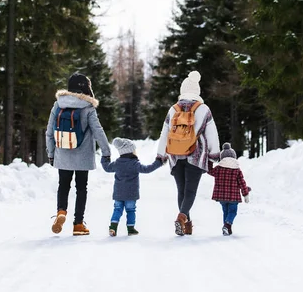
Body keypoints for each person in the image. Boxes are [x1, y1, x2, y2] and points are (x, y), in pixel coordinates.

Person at [156, 70, 221, 236]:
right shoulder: (203, 109)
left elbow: (164, 133)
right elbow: (212, 134)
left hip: (175, 156)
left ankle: (187, 225)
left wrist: (161, 155)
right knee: (191, 191)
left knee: (181, 191)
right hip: (196, 156)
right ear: (197, 91)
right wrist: (214, 155)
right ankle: (182, 218)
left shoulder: (173, 109)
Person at [46, 72, 111, 236]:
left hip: (63, 154)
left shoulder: (58, 105)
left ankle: (61, 211)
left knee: (63, 185)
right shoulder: (87, 107)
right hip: (82, 156)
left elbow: (49, 132)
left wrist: (51, 153)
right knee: (81, 188)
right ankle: (78, 224)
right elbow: (98, 131)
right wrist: (106, 151)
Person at [101, 138, 164, 236]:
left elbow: (107, 168)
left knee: (117, 209)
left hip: (118, 193)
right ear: (131, 151)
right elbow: (147, 169)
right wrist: (158, 162)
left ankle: (113, 227)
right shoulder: (134, 163)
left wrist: (105, 158)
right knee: (131, 210)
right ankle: (130, 229)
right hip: (131, 194)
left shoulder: (117, 163)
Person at [207, 143, 251, 236]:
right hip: (233, 197)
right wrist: (245, 194)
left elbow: (209, 171)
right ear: (234, 157)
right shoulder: (237, 170)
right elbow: (242, 183)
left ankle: (226, 228)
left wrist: (210, 160)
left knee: (225, 212)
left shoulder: (218, 168)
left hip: (222, 197)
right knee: (232, 212)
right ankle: (227, 225)